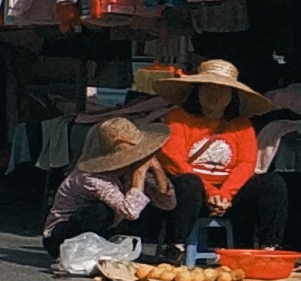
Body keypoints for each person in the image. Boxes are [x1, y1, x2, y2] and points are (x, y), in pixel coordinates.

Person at [152, 58, 287, 252]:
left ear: (233, 96)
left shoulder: (242, 125)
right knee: (188, 183)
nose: (214, 96)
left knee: (273, 183)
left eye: (222, 91)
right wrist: (211, 192)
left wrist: (225, 194)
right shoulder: (177, 119)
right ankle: (176, 246)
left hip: (228, 195)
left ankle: (270, 247)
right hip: (191, 196)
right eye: (208, 89)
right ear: (196, 90)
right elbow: (173, 159)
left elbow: (246, 163)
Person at [40, 115, 171, 262]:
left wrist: (157, 169)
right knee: (102, 210)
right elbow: (130, 211)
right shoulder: (92, 178)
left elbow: (167, 204)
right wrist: (139, 175)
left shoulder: (126, 171)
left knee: (144, 203)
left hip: (106, 230)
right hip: (62, 236)